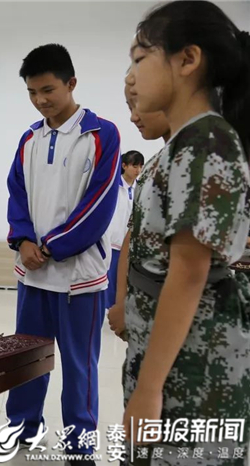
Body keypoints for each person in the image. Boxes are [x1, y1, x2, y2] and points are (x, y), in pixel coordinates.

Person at [122, 2, 250, 463]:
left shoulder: (207, 142)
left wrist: (150, 388)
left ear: (187, 60)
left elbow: (189, 272)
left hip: (198, 366)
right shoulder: (182, 145)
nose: (131, 76)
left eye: (140, 58)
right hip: (170, 353)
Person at [5, 43, 121, 465]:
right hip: (32, 274)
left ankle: (79, 441)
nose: (40, 100)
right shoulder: (29, 138)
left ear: (72, 83)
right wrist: (23, 241)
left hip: (80, 277)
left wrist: (51, 245)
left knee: (79, 365)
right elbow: (16, 194)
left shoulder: (101, 134)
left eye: (48, 90)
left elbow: (100, 202)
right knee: (27, 359)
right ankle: (22, 427)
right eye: (33, 92)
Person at [107, 82, 171, 340]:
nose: (134, 116)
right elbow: (132, 235)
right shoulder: (155, 167)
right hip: (143, 309)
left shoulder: (204, 159)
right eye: (129, 106)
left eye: (140, 105)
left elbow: (192, 269)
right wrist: (123, 302)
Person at [105, 150, 144, 310]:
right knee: (107, 285)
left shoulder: (140, 189)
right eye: (135, 166)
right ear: (124, 165)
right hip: (110, 244)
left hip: (128, 247)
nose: (138, 170)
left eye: (141, 166)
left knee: (123, 286)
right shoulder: (111, 186)